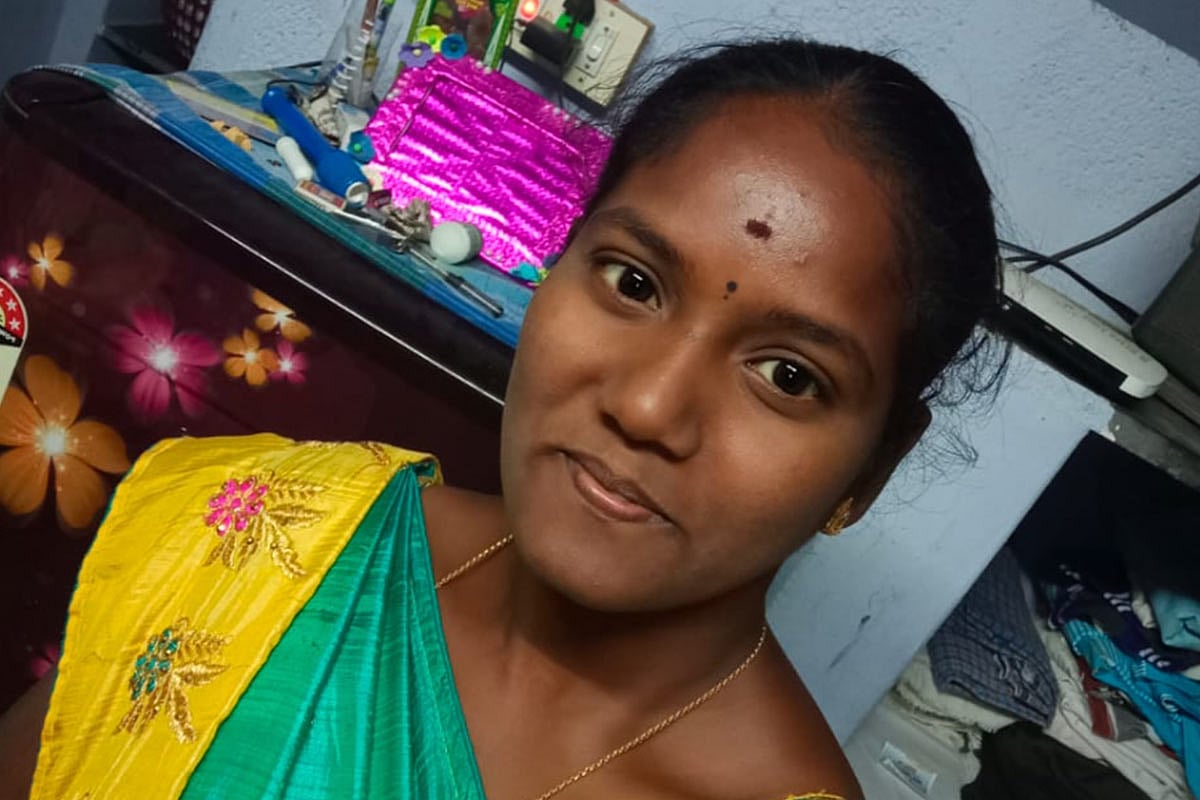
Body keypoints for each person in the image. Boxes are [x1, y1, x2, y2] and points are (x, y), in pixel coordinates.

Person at [0, 38, 1003, 800]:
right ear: (557, 263)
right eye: (633, 281)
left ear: (871, 468)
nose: (648, 405)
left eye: (787, 375)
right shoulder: (268, 532)